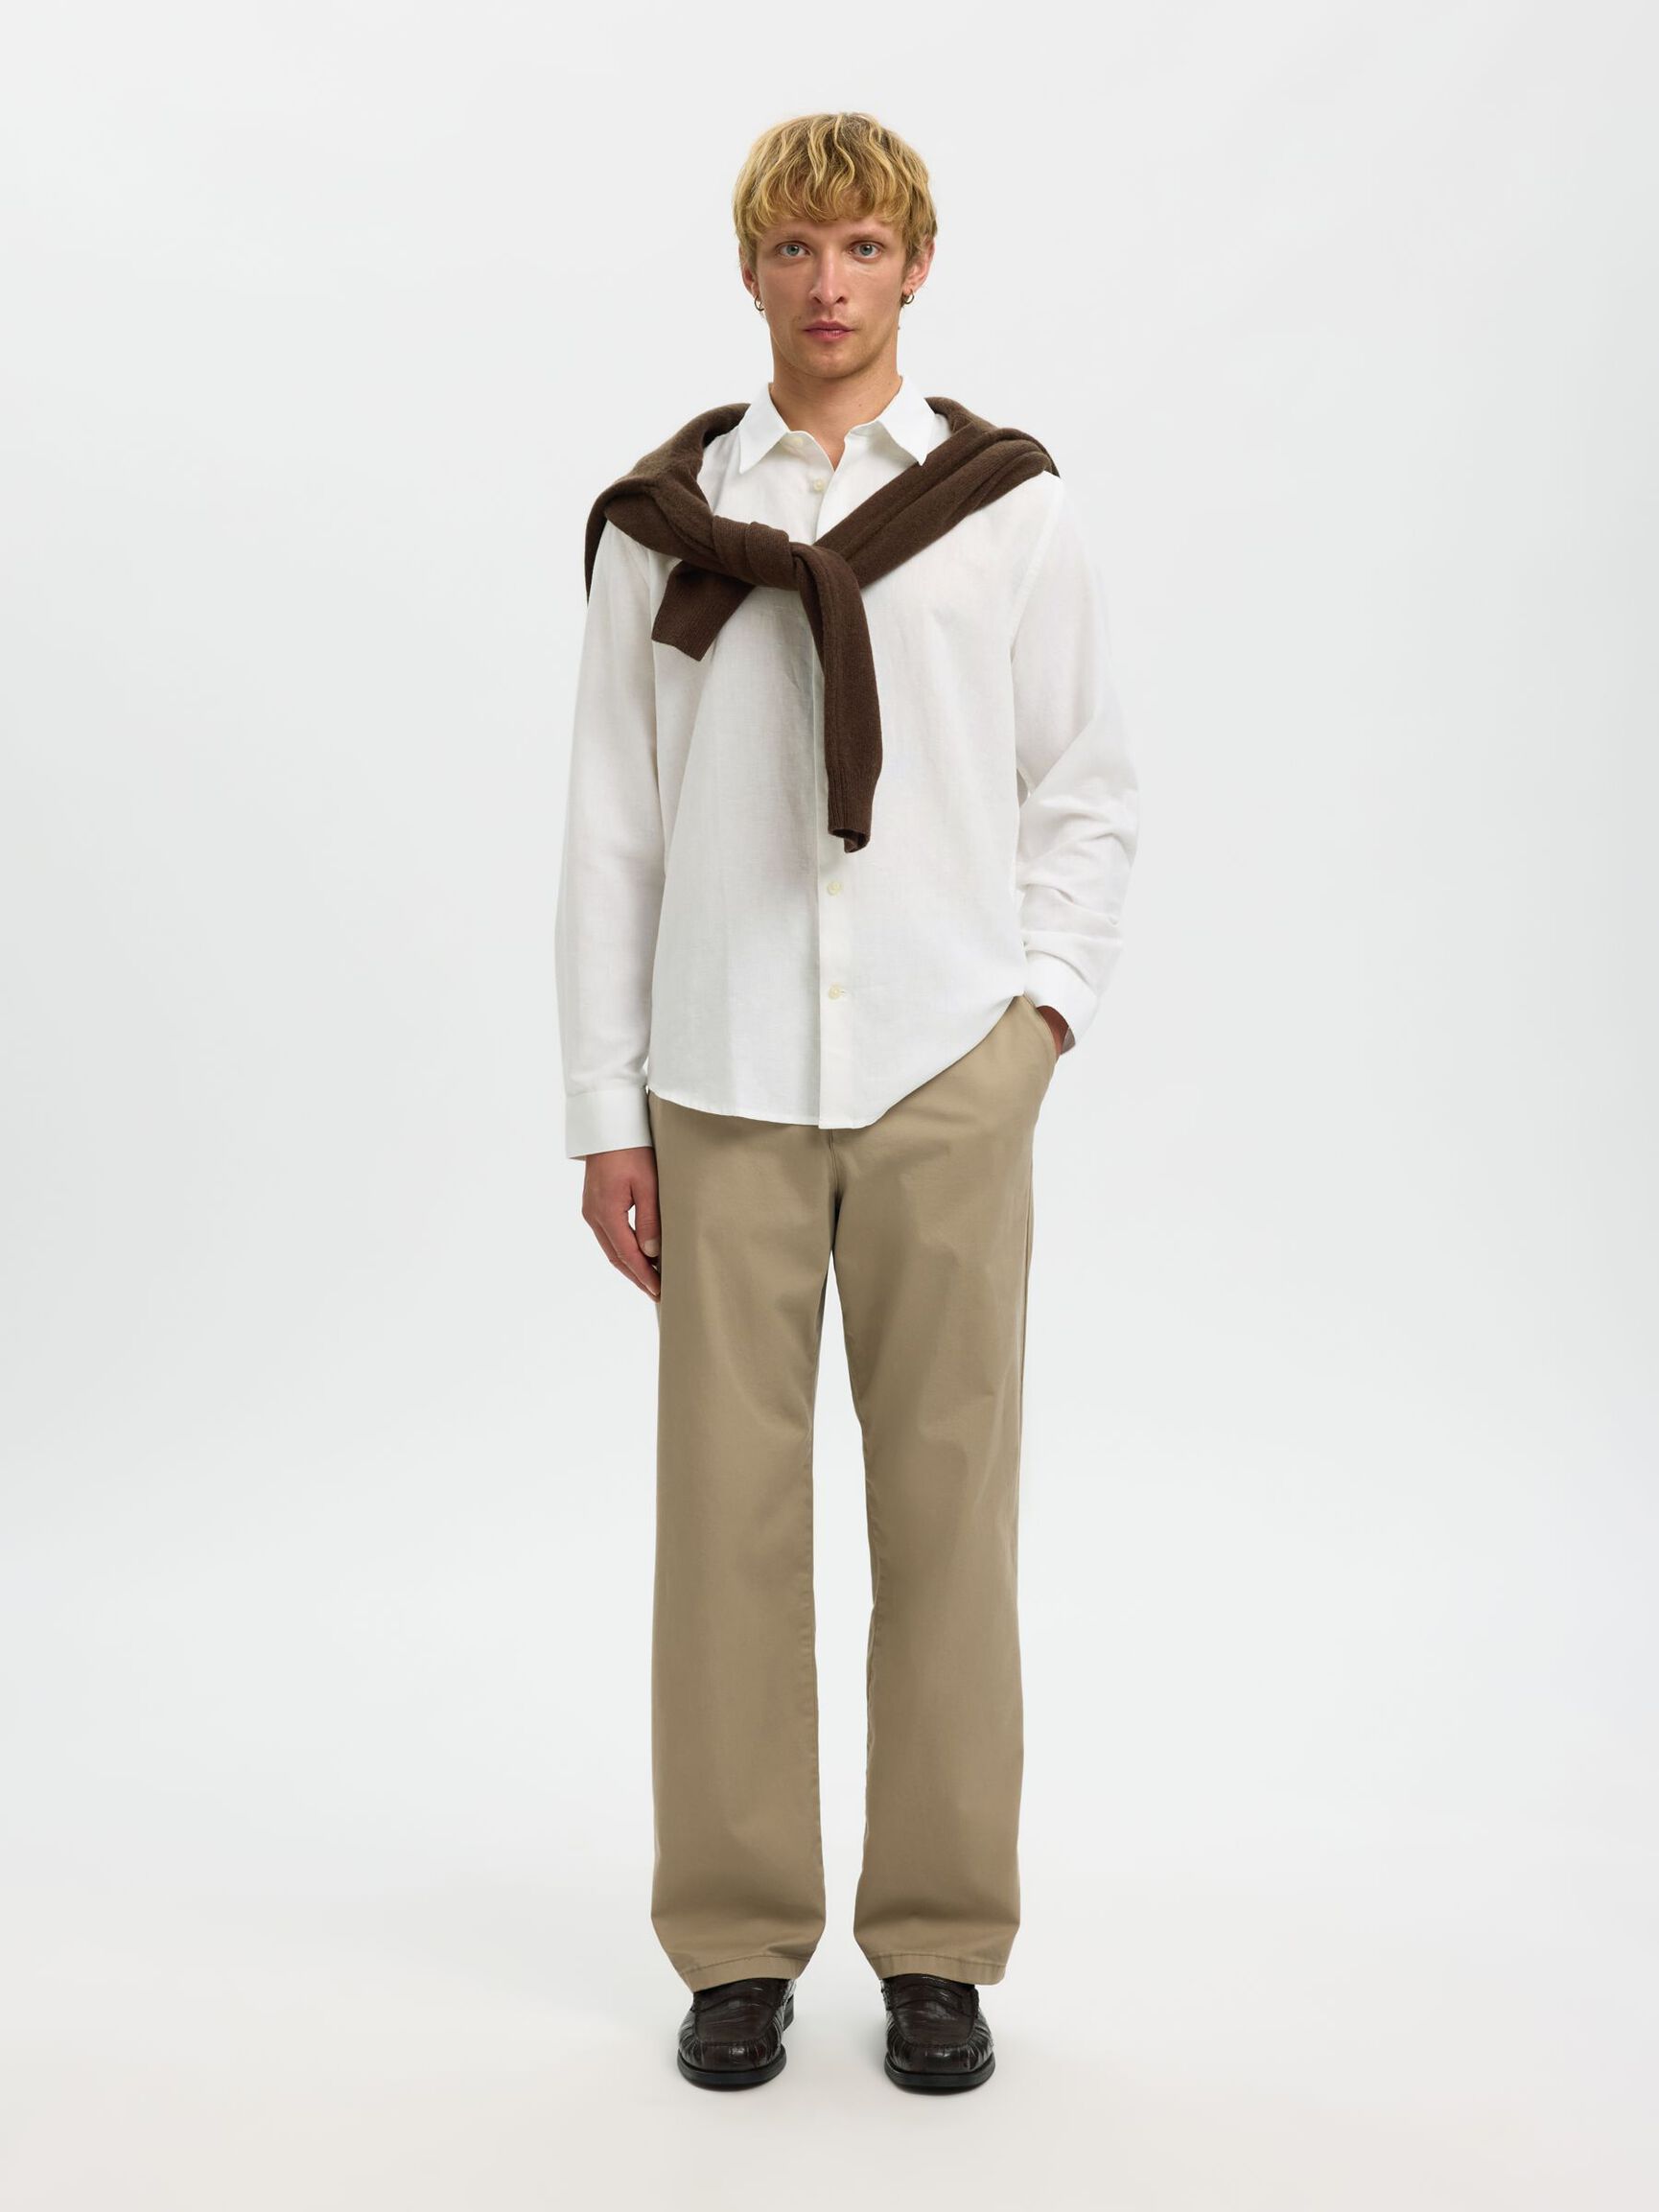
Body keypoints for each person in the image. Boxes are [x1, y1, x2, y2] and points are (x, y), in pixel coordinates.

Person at [554, 109, 1139, 2094]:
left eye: (864, 247)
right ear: (749, 271)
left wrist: (1036, 1022)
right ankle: (734, 1945)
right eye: (796, 249)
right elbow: (611, 831)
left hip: (941, 1073)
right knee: (719, 1531)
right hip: (718, 1081)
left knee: (949, 1521)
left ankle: (939, 1946)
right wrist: (604, 1111)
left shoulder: (1005, 511)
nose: (829, 285)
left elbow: (1084, 789)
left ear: (916, 266)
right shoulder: (664, 526)